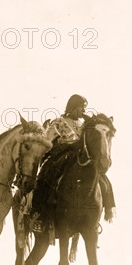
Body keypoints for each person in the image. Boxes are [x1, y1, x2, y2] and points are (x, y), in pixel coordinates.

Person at [30, 94, 116, 232]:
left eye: (84, 107)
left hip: (80, 157)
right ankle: (40, 214)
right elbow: (47, 141)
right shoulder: (59, 122)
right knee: (46, 176)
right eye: (81, 107)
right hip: (61, 156)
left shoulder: (85, 125)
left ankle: (101, 213)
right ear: (73, 107)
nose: (83, 110)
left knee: (101, 177)